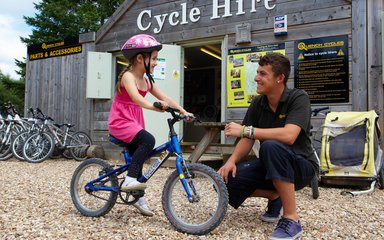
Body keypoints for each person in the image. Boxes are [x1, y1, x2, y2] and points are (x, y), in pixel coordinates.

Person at [218, 52, 317, 240]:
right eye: (257, 72)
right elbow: (246, 139)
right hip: (270, 166)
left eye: (263, 74)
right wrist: (231, 161)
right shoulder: (258, 103)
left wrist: (247, 131)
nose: (256, 77)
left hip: (301, 167)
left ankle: (291, 219)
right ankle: (275, 196)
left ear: (280, 78)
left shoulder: (298, 98)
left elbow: (289, 135)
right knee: (224, 180)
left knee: (270, 146)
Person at [108, 34, 193, 217]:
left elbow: (165, 97)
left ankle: (137, 196)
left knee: (138, 159)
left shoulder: (147, 80)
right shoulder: (128, 77)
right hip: (121, 122)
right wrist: (153, 107)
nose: (155, 62)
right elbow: (136, 98)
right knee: (148, 140)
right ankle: (129, 181)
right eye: (153, 58)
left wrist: (183, 111)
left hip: (133, 121)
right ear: (140, 58)